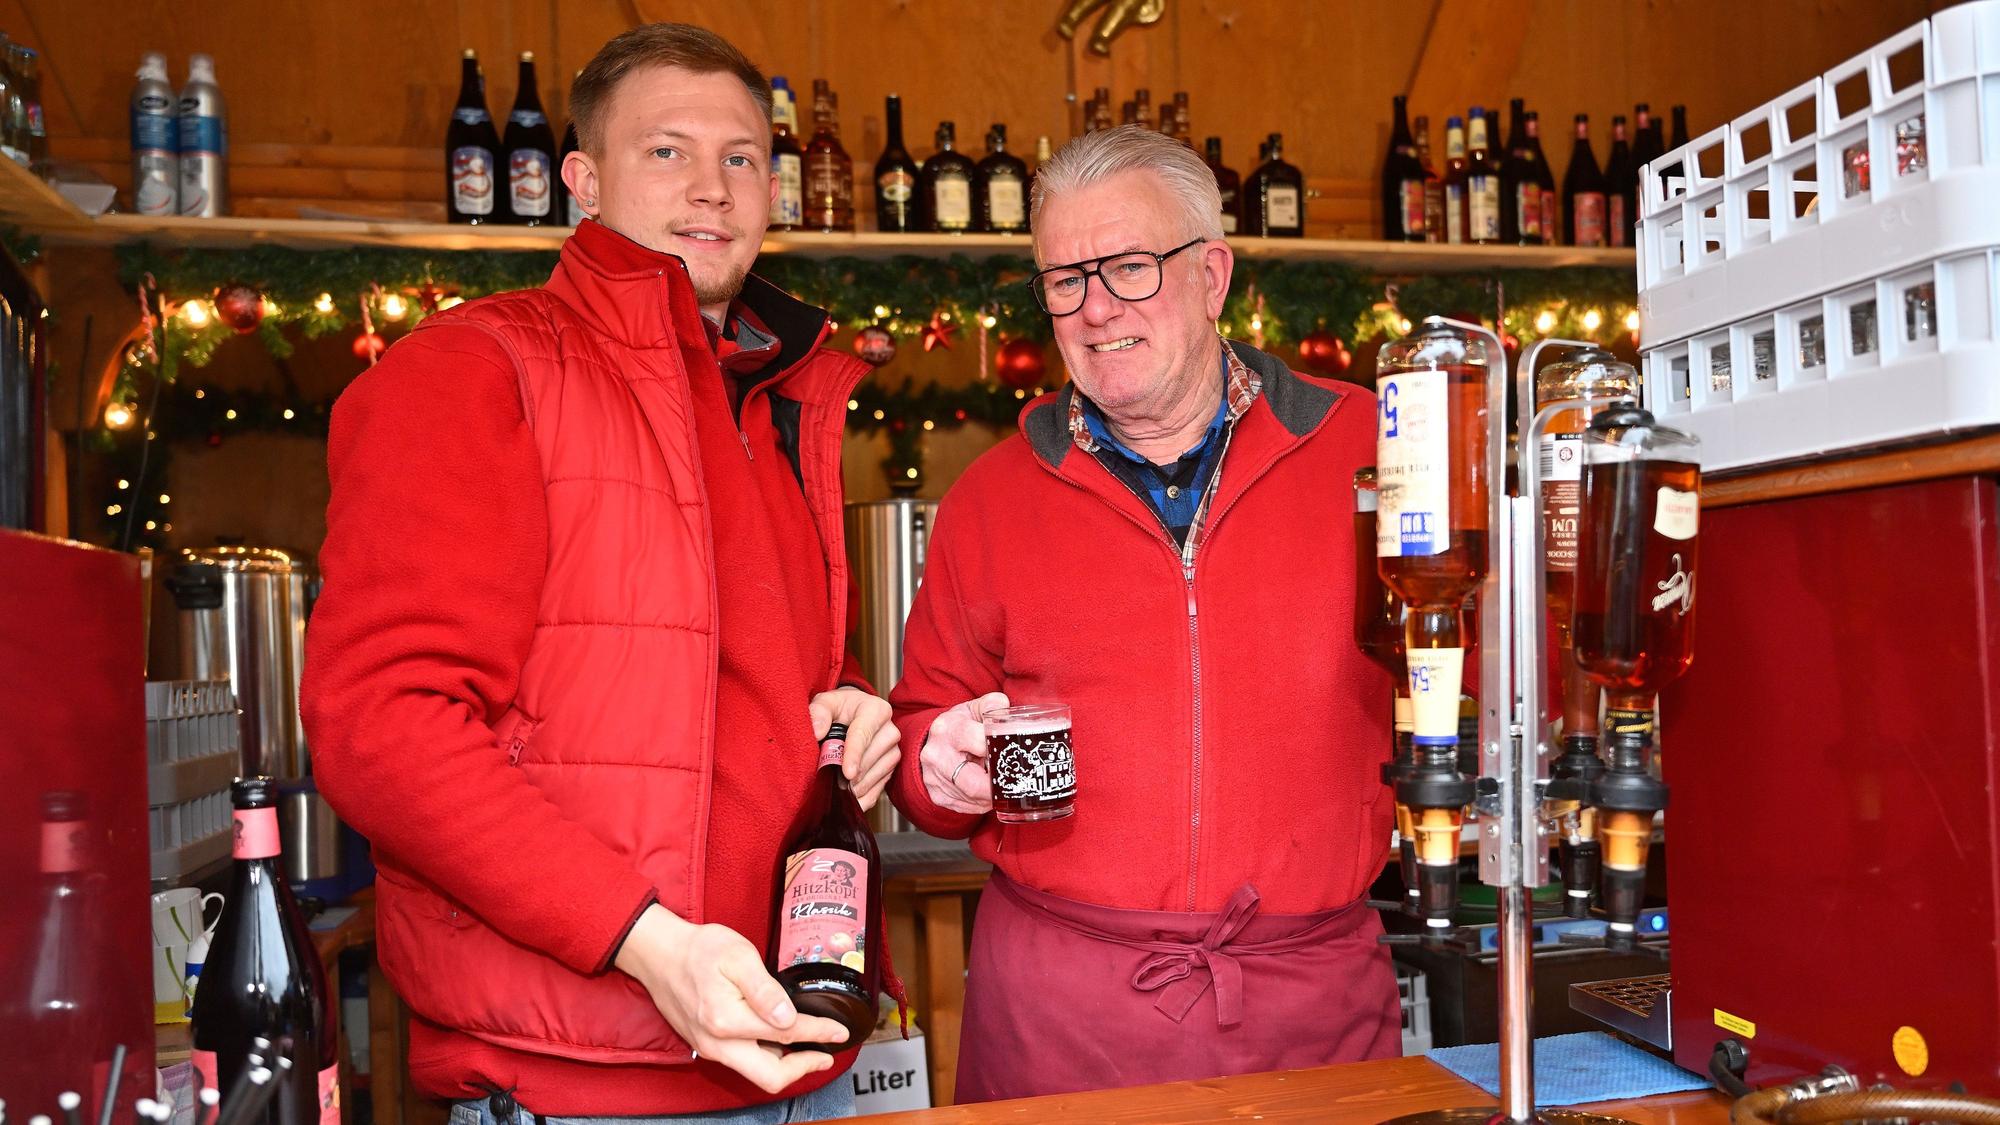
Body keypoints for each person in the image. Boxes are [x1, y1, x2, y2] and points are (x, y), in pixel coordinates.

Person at [302, 23, 900, 1125]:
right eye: (666, 152)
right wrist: (646, 941)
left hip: (802, 1047)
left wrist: (852, 710)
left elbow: (745, 670)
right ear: (579, 179)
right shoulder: (473, 370)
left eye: (741, 157)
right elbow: (381, 721)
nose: (713, 189)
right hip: (585, 1078)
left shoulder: (769, 402)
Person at [887, 125, 1401, 1102]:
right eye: (1064, 279)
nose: (1094, 310)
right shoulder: (992, 495)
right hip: (1059, 1022)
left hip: (1310, 1010)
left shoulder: (1364, 450)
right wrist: (939, 770)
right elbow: (923, 738)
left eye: (1127, 267)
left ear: (1211, 273)